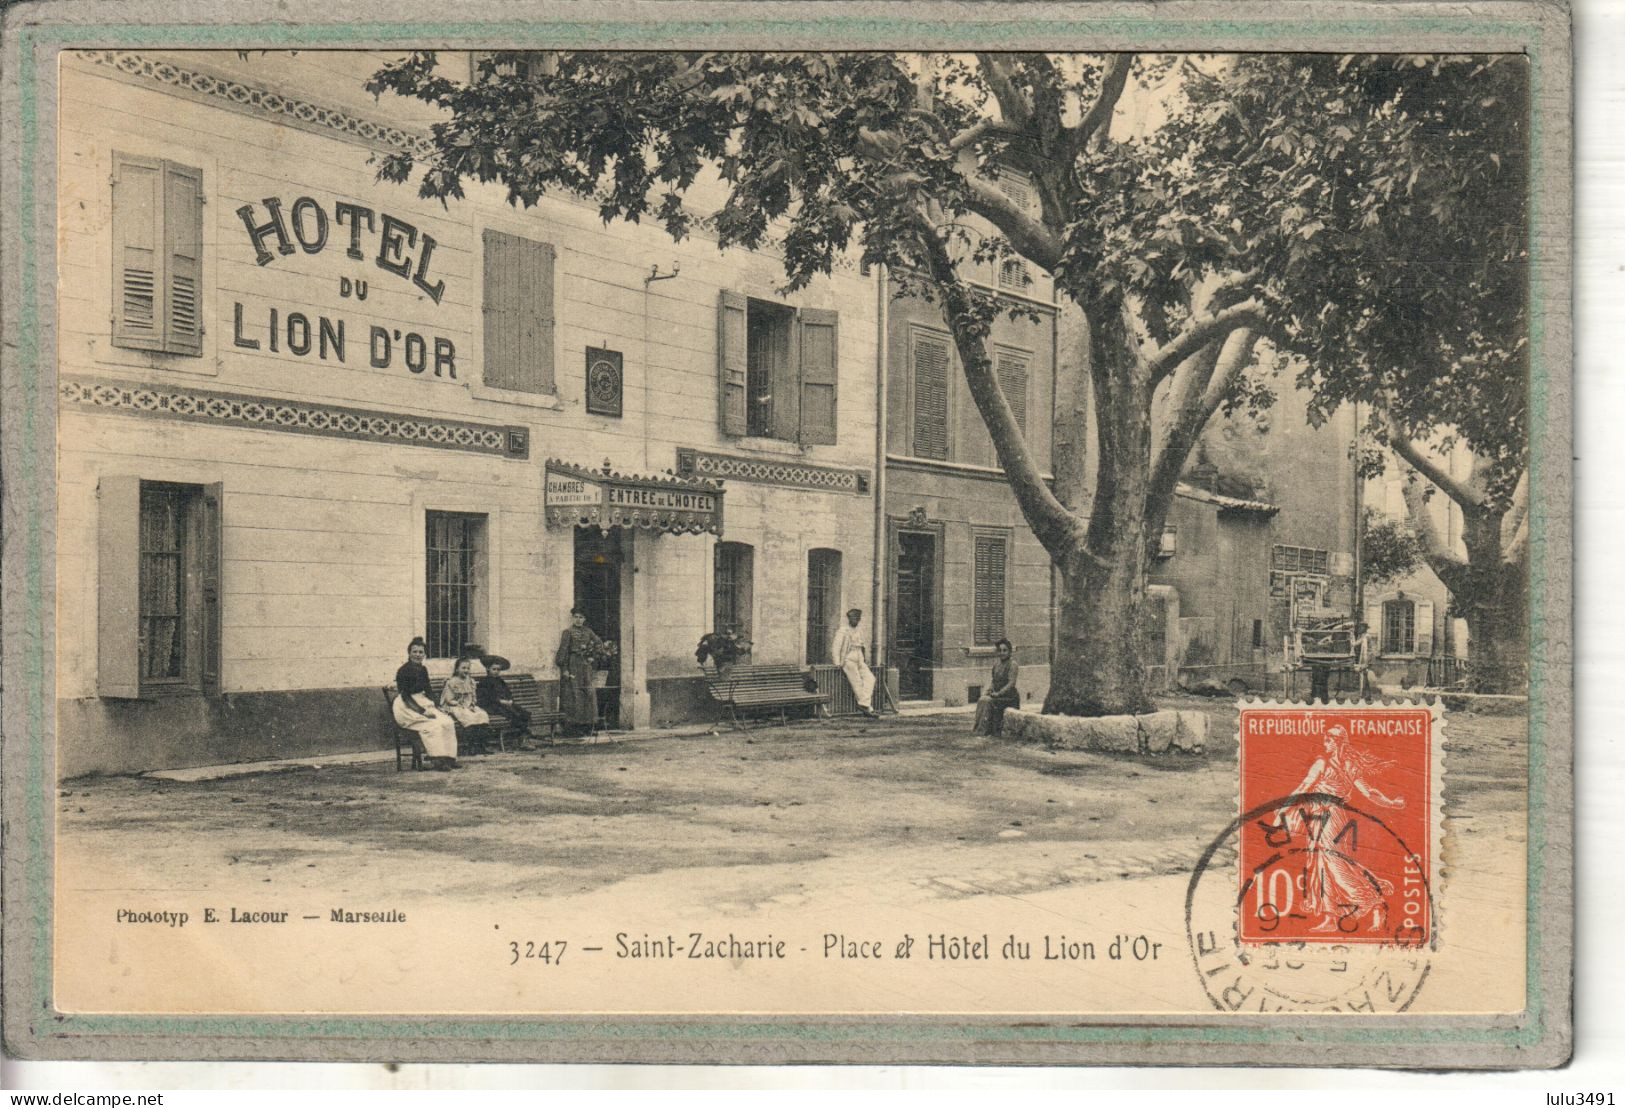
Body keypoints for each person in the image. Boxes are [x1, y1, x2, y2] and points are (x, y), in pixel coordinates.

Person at [1276, 723, 1406, 932]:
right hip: (1317, 816)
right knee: (1320, 864)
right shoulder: (1343, 764)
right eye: (1325, 740)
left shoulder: (1326, 763)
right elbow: (1368, 792)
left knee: (1333, 862)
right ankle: (1329, 918)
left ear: (1338, 743)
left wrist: (1283, 810)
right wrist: (1391, 803)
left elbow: (1305, 787)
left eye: (1328, 740)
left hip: (1331, 816)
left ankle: (1370, 900)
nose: (1325, 744)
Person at [392, 637, 460, 770]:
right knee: (432, 725)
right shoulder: (403, 670)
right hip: (407, 707)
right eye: (414, 652)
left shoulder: (423, 669)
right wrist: (423, 712)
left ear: (424, 654)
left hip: (423, 702)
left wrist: (438, 707)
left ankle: (449, 758)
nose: (418, 655)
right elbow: (405, 696)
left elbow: (428, 689)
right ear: (409, 653)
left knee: (447, 722)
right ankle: (437, 761)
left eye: (420, 652)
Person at [555, 607, 605, 736]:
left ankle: (589, 726)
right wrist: (564, 669)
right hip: (573, 665)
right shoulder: (568, 632)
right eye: (576, 617)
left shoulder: (589, 632)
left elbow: (599, 644)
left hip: (586, 666)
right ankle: (573, 727)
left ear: (585, 619)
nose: (578, 620)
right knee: (574, 695)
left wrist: (593, 656)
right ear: (572, 618)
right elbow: (563, 652)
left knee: (588, 693)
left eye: (581, 617)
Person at [831, 607, 877, 718]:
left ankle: (863, 704)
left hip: (859, 657)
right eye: (854, 618)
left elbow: (863, 646)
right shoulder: (843, 630)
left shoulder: (859, 630)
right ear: (849, 619)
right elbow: (836, 647)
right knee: (857, 682)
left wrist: (865, 659)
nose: (856, 620)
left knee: (870, 678)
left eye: (858, 618)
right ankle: (867, 707)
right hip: (848, 658)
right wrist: (837, 662)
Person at [477, 653, 532, 742]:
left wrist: (510, 699)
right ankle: (522, 736)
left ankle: (522, 735)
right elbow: (488, 697)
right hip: (492, 706)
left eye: (498, 670)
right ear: (488, 669)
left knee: (523, 712)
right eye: (494, 669)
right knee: (514, 714)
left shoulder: (500, 681)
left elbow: (507, 692)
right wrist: (500, 701)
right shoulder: (485, 682)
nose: (496, 671)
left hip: (504, 704)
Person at [973, 639, 1021, 736]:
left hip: (1008, 696)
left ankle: (984, 731)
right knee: (982, 699)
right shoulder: (997, 664)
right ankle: (978, 728)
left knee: (988, 701)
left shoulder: (1013, 665)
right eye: (1000, 650)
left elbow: (1011, 684)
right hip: (997, 695)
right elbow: (993, 681)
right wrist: (988, 691)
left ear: (1010, 652)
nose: (1002, 653)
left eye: (1005, 650)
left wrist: (998, 693)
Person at [439, 655, 492, 728]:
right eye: (463, 668)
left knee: (482, 714)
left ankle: (481, 735)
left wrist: (472, 704)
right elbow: (448, 699)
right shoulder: (452, 682)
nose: (466, 670)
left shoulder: (470, 681)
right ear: (457, 669)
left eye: (468, 668)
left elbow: (473, 696)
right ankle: (470, 733)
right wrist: (458, 703)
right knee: (466, 714)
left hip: (467, 705)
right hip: (455, 706)